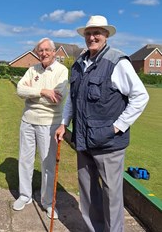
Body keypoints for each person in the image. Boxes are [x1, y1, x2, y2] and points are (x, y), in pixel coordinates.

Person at [55, 15, 149, 232]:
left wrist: (117, 127)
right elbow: (72, 98)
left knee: (111, 194)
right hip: (82, 139)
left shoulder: (117, 61)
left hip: (109, 143)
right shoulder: (79, 63)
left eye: (97, 32)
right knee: (88, 191)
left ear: (106, 35)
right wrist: (63, 123)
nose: (92, 37)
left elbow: (140, 96)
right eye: (88, 33)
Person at [12, 38, 68, 219]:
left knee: (48, 164)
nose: (43, 53)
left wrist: (32, 92)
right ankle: (24, 195)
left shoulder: (62, 71)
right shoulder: (32, 69)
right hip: (27, 120)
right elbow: (20, 90)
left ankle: (48, 203)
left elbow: (57, 99)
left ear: (54, 52)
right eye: (40, 50)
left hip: (49, 123)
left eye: (47, 50)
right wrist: (43, 91)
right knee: (25, 159)